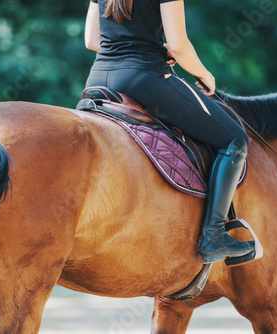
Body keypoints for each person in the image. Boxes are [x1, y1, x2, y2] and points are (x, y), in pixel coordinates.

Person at [84, 0, 256, 265]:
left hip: (98, 77)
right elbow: (178, 45)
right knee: (234, 139)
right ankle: (213, 235)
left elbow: (92, 40)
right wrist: (205, 74)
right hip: (143, 77)